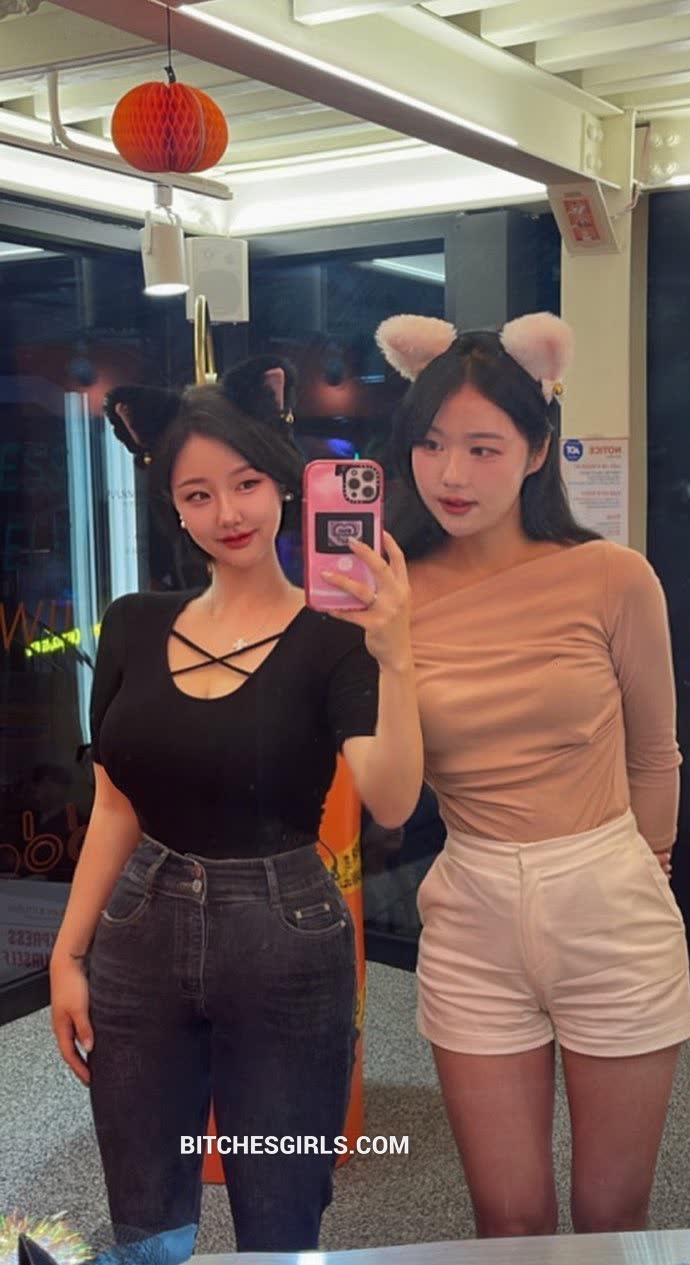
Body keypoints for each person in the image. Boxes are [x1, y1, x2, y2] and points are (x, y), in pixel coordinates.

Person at [48, 357, 423, 1252]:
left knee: (282, 1214)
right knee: (144, 1211)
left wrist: (398, 653)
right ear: (174, 507)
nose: (229, 512)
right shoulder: (132, 622)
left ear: (285, 485)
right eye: (199, 493)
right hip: (140, 928)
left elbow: (393, 798)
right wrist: (69, 951)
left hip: (284, 935)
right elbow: (116, 807)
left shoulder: (336, 637)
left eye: (247, 482)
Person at [375, 312, 690, 1238]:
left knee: (611, 1213)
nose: (451, 473)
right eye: (431, 444)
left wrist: (645, 870)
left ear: (536, 450)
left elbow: (655, 753)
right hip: (471, 907)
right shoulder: (390, 591)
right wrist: (385, 644)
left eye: (483, 447)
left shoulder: (613, 577)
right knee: (508, 1218)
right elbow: (390, 798)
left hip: (608, 890)